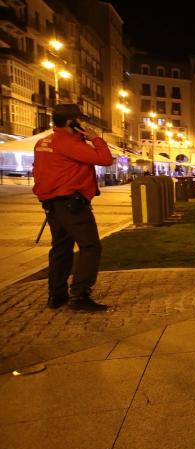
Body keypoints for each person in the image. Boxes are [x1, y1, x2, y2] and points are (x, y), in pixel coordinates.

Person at [32, 104, 113, 311]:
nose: (84, 124)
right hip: (71, 203)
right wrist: (95, 138)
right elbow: (105, 159)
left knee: (61, 248)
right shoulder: (67, 143)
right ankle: (80, 295)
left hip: (52, 203)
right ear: (71, 122)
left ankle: (57, 295)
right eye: (81, 120)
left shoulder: (43, 142)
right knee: (90, 247)